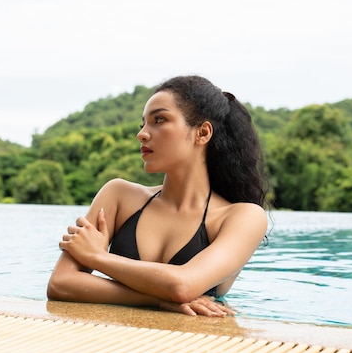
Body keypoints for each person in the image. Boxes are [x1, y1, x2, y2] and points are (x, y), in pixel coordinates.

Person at [47, 75, 268, 317]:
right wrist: (158, 299)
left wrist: (97, 257)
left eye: (159, 120)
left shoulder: (243, 216)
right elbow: (60, 284)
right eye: (143, 124)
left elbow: (183, 286)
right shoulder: (118, 195)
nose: (142, 134)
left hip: (199, 348)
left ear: (202, 133)